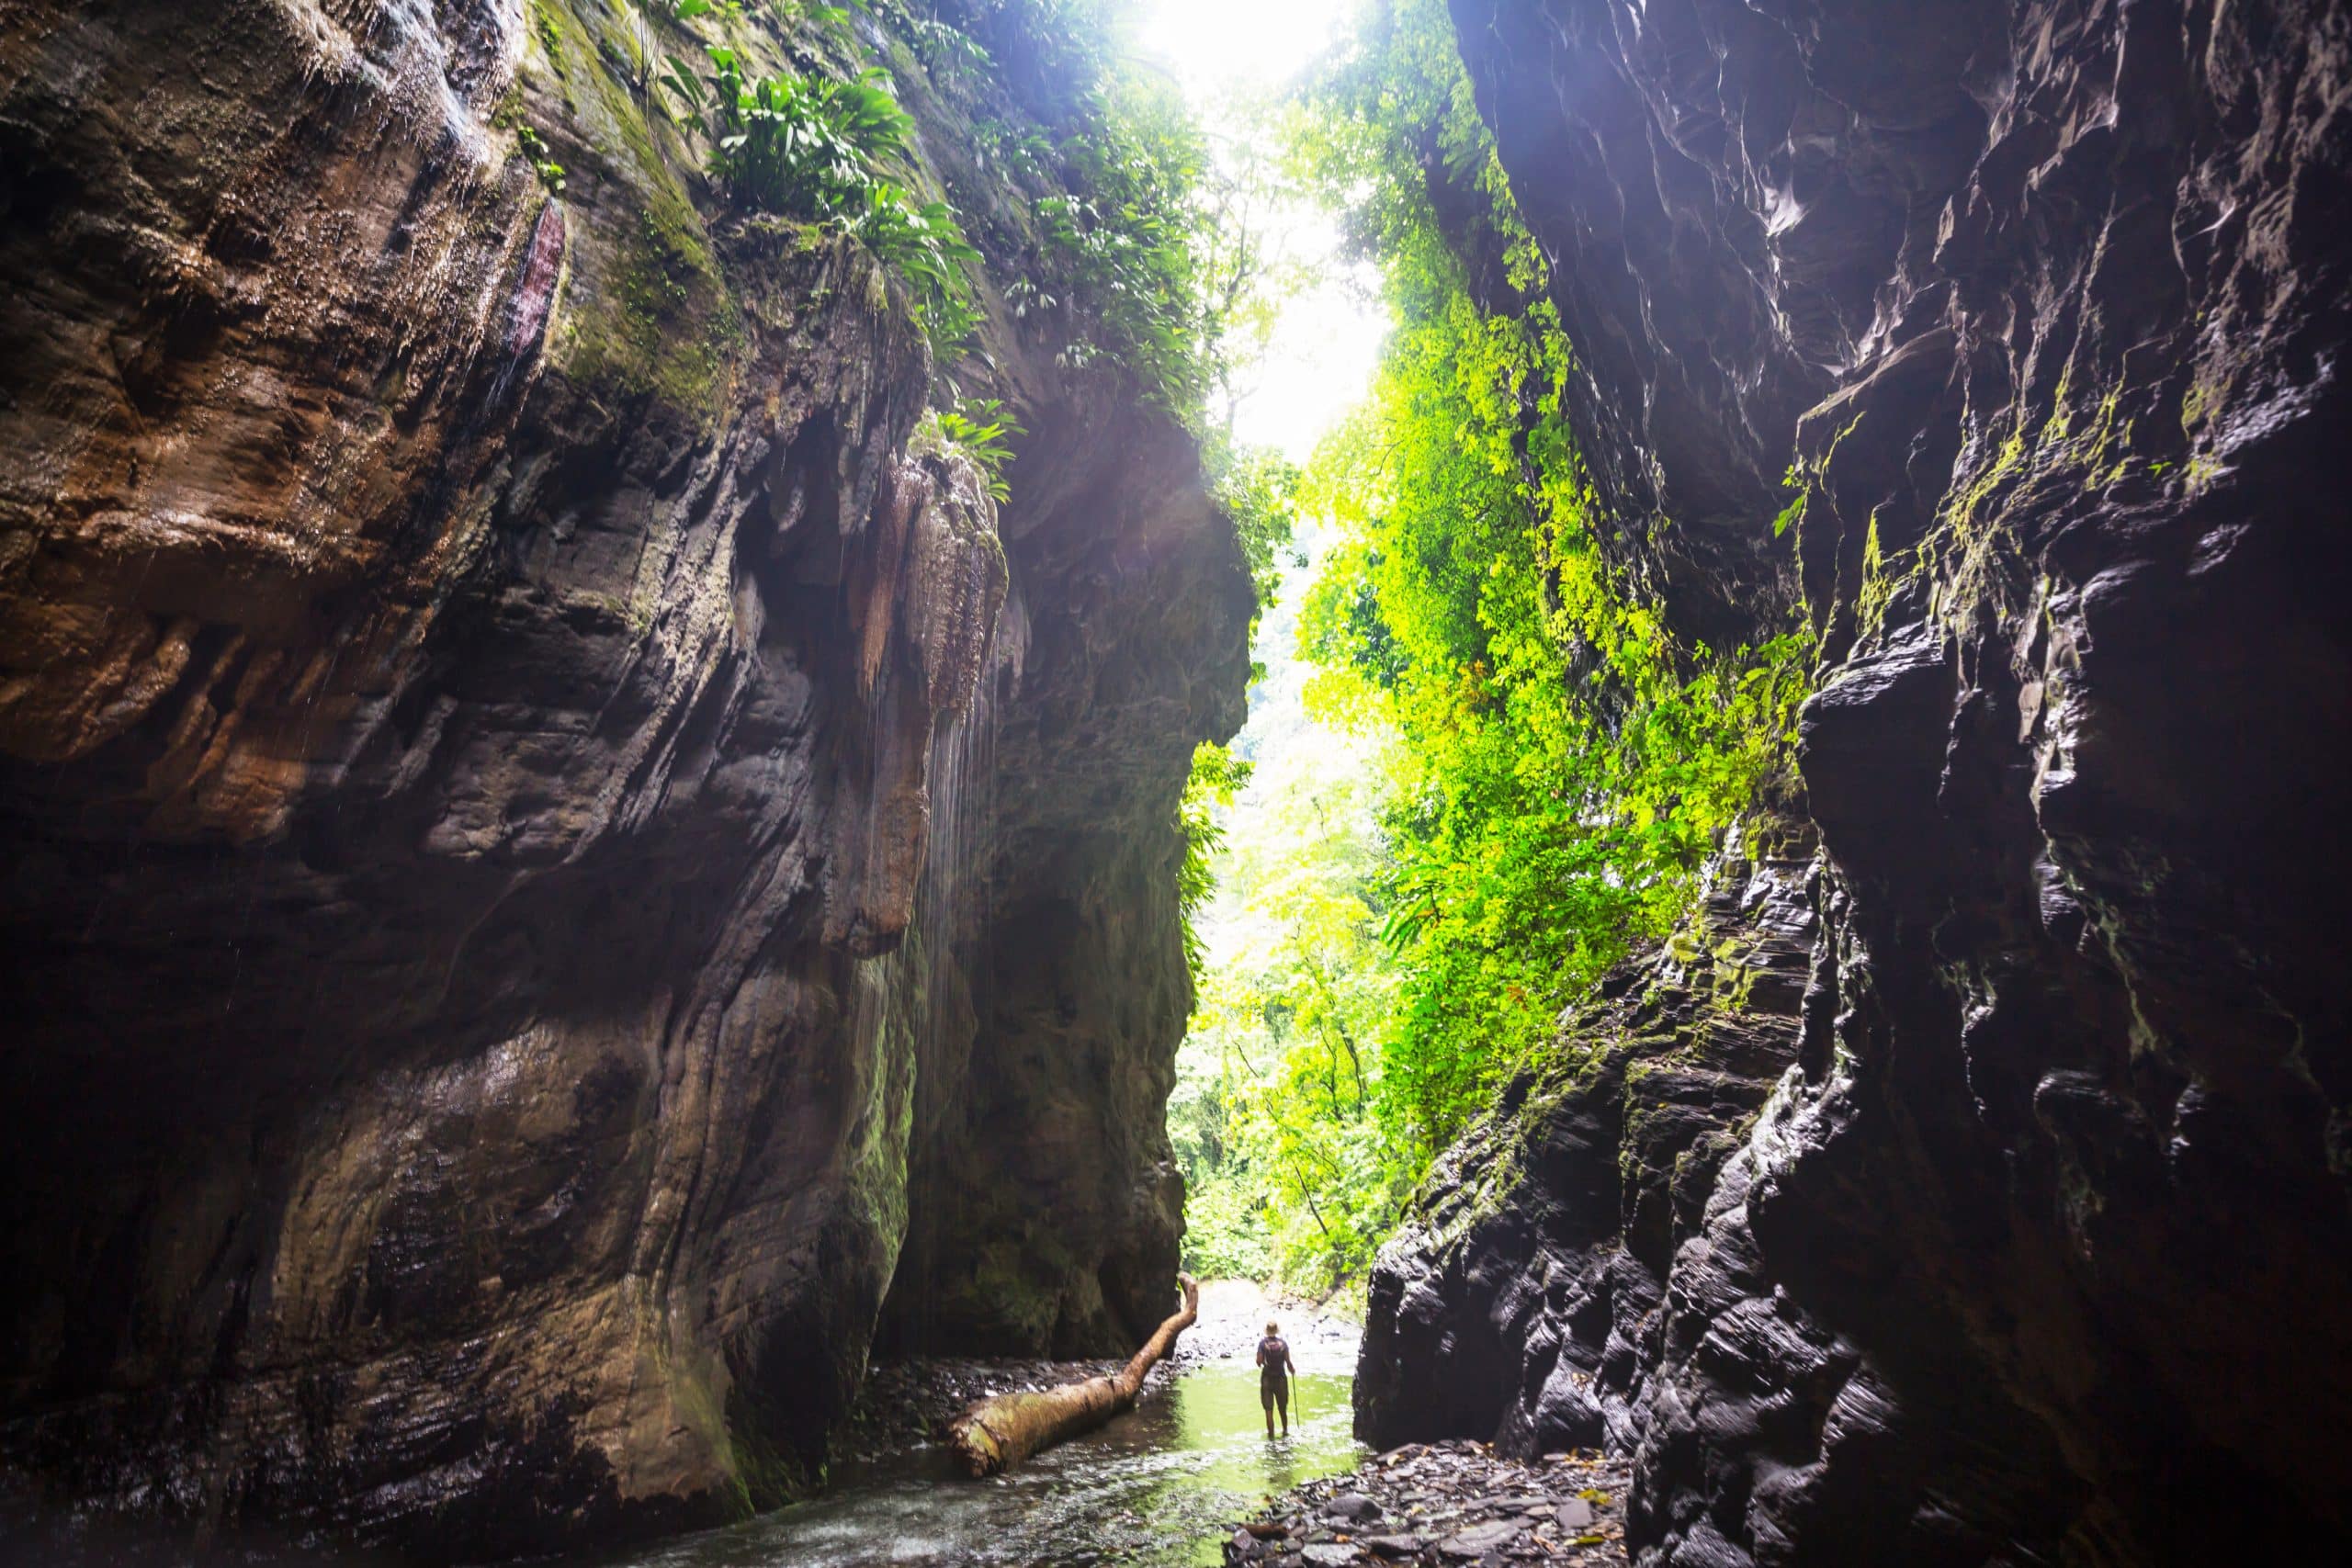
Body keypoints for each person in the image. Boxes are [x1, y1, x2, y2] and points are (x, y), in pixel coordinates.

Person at [1256, 1319, 1296, 1438]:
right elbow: (1288, 1362)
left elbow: (1258, 1362)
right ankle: (1285, 1431)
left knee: (1269, 1410)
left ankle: (1271, 1435)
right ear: (1276, 1331)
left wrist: (1262, 1362)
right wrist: (1292, 1370)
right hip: (1281, 1379)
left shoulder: (1263, 1344)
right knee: (1282, 1408)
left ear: (1267, 1331)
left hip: (1267, 1379)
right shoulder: (1283, 1344)